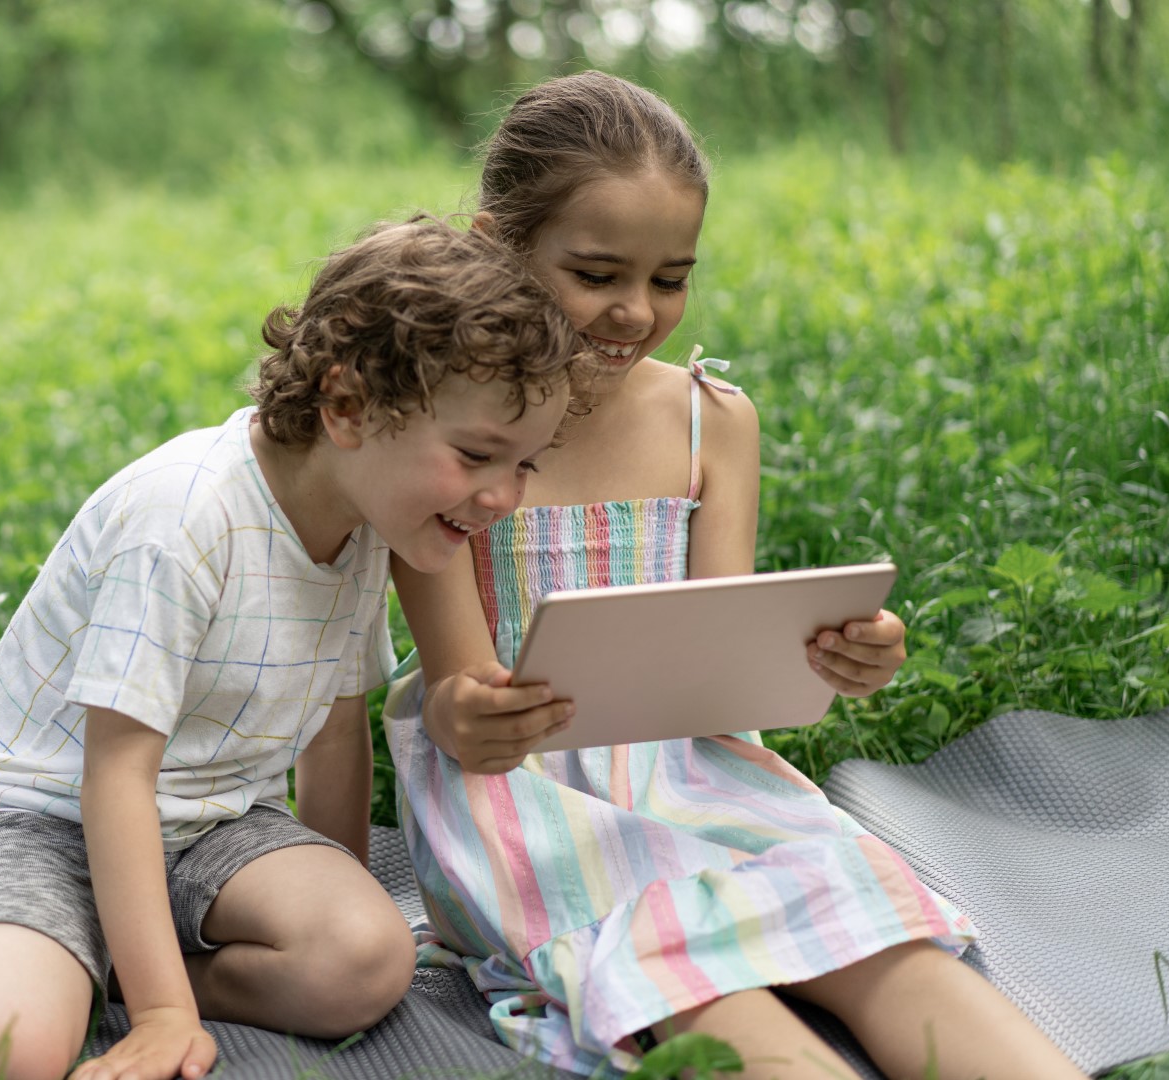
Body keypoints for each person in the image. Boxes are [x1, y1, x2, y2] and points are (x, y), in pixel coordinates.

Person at [385, 72, 1087, 1080]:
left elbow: (719, 656)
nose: (636, 311)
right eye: (597, 274)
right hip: (525, 789)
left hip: (693, 765)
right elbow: (457, 694)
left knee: (867, 924)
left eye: (670, 279)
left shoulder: (713, 418)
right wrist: (469, 715)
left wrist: (836, 655)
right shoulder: (451, 436)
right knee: (682, 962)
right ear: (501, 242)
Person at [0, 217, 589, 1080]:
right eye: (478, 454)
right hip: (48, 819)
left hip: (215, 822)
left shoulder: (374, 523)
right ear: (347, 407)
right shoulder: (184, 517)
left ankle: (86, 964)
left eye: (524, 464)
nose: (503, 496)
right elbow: (114, 777)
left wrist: (331, 883)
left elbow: (337, 732)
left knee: (367, 960)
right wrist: (162, 1019)